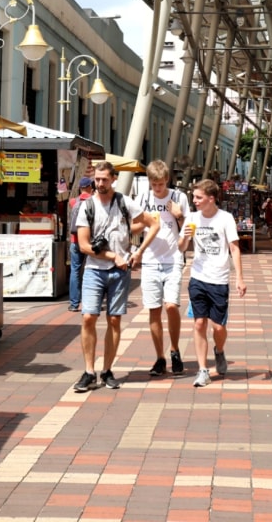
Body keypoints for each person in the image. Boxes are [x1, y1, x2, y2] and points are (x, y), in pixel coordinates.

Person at [73, 161, 159, 392]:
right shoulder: (87, 206)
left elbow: (153, 223)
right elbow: (83, 245)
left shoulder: (124, 202)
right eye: (97, 179)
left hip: (120, 272)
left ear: (113, 179)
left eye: (104, 179)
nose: (100, 183)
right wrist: (113, 256)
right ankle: (89, 371)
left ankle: (107, 370)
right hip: (94, 270)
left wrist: (137, 251)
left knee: (114, 319)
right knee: (89, 317)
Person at [179, 179, 246, 387]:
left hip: (219, 280)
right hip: (198, 277)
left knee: (218, 328)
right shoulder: (191, 218)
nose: (195, 201)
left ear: (211, 198)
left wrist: (239, 278)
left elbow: (234, 248)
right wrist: (185, 238)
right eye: (194, 197)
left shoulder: (225, 219)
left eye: (199, 197)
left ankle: (219, 350)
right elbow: (181, 248)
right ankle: (203, 370)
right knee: (199, 323)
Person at [137, 159, 190, 376]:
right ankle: (160, 357)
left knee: (171, 306)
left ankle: (175, 350)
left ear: (167, 180)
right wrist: (148, 222)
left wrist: (179, 215)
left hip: (173, 259)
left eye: (160, 184)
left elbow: (189, 227)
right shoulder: (143, 198)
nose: (157, 188)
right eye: (154, 184)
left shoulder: (179, 198)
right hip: (150, 260)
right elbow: (135, 225)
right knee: (154, 310)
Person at [67, 176, 93, 311]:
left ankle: (74, 304)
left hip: (75, 241)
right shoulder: (94, 201)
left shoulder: (73, 202)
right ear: (89, 187)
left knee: (75, 271)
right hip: (90, 242)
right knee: (91, 270)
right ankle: (90, 302)